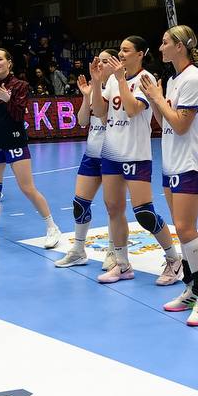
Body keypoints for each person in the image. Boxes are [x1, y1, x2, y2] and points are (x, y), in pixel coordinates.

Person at [138, 26, 198, 326]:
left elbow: (182, 125)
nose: (160, 48)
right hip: (172, 161)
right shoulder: (173, 80)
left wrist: (158, 99)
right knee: (181, 230)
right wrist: (155, 99)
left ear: (180, 47)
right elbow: (165, 123)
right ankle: (191, 288)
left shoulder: (194, 78)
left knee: (186, 229)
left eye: (165, 42)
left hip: (191, 162)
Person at [91, 36, 183, 286]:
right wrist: (97, 82)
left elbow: (132, 110)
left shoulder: (146, 79)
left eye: (126, 50)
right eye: (120, 50)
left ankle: (174, 260)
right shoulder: (112, 79)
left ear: (140, 54)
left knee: (144, 213)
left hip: (136, 154)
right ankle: (122, 264)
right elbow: (99, 112)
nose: (120, 54)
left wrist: (121, 80)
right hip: (111, 152)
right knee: (113, 208)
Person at [0, 48, 62, 251]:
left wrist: (8, 100)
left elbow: (19, 116)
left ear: (9, 62)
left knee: (27, 188)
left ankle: (52, 227)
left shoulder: (20, 85)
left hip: (14, 142)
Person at [54, 54, 118, 273]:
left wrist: (97, 90)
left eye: (105, 61)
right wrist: (86, 96)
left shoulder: (119, 88)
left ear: (115, 64)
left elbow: (106, 118)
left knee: (113, 208)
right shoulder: (95, 89)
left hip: (113, 154)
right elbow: (82, 121)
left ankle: (113, 251)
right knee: (80, 203)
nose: (100, 64)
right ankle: (78, 250)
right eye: (98, 61)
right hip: (91, 154)